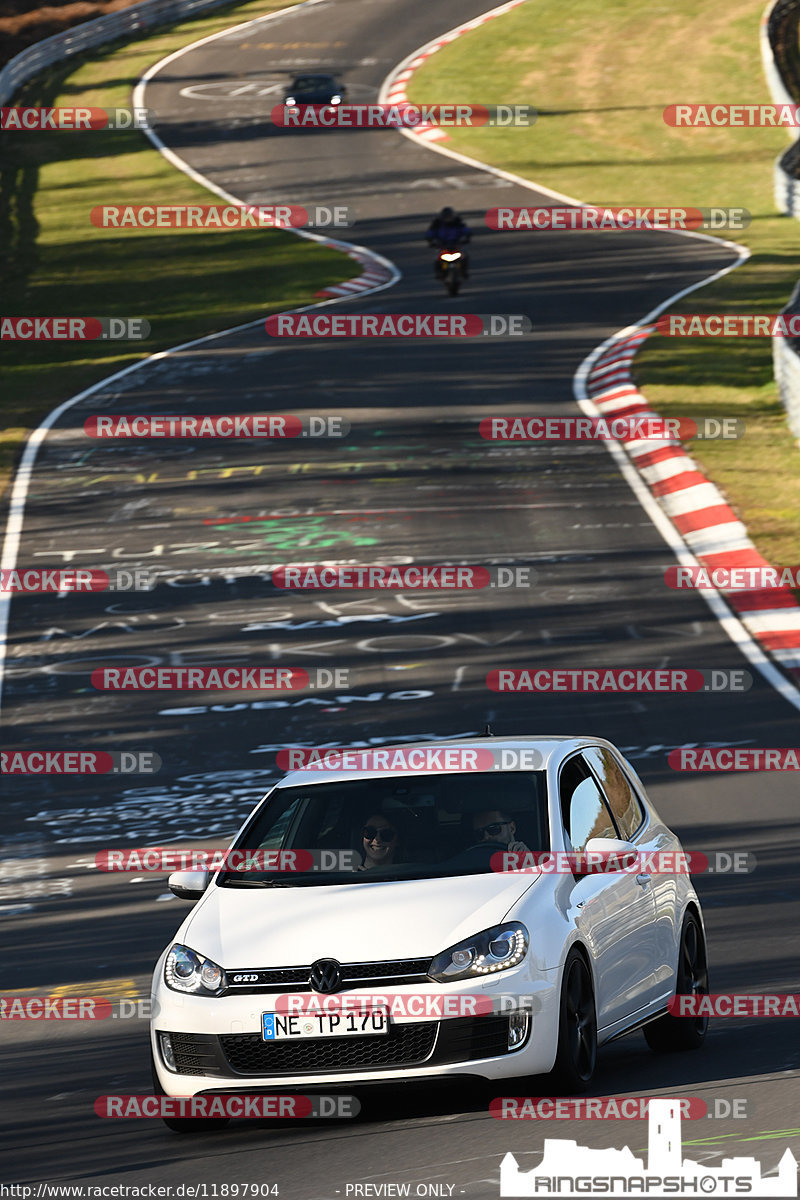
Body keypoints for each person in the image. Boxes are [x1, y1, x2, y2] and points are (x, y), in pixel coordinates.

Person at [426, 206, 471, 277]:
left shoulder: (458, 222)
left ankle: (463, 271)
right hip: (443, 245)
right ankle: (439, 273)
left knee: (464, 257)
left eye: (449, 216)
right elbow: (431, 232)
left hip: (456, 244)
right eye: (446, 216)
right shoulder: (437, 223)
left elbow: (465, 230)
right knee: (437, 259)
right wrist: (430, 240)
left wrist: (467, 237)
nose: (448, 218)